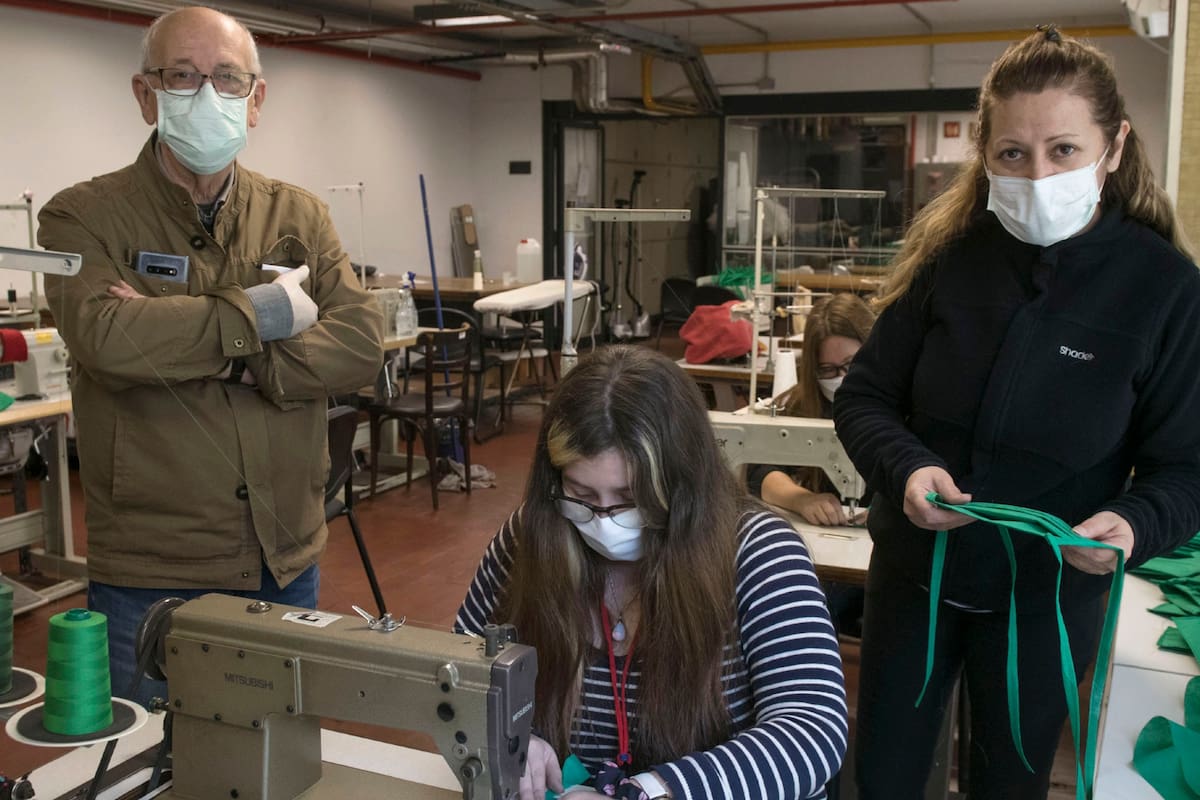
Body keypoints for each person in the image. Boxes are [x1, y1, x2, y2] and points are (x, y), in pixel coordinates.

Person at [832, 26, 1200, 799]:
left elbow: (1186, 469)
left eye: (1063, 150)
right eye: (1012, 154)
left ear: (1116, 144)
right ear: (985, 153)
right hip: (913, 584)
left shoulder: (1164, 289)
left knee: (1012, 785)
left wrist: (1133, 524)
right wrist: (905, 466)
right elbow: (864, 397)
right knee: (886, 777)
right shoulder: (949, 258)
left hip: (1045, 603)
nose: (1037, 175)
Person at [37, 7, 384, 705]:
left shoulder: (299, 217)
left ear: (255, 101)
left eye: (226, 79)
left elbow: (360, 344)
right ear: (145, 95)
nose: (205, 96)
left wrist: (229, 356)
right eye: (182, 77)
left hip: (282, 552)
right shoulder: (81, 216)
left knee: (276, 753)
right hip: (153, 560)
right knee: (149, 760)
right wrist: (262, 316)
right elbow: (108, 341)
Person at [455, 345, 847, 800]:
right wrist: (513, 740)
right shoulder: (531, 536)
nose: (603, 519)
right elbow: (461, 672)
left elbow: (811, 732)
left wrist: (650, 792)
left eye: (630, 499)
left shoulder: (759, 553)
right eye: (581, 494)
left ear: (683, 485)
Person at [747, 293, 876, 527]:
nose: (841, 378)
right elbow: (760, 469)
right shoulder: (798, 405)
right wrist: (801, 500)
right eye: (827, 369)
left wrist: (890, 513)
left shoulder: (907, 405)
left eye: (851, 364)